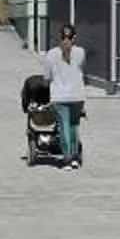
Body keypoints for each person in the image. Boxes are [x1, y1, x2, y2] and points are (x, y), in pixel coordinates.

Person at [45, 24, 88, 168]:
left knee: (64, 126)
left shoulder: (51, 54)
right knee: (74, 126)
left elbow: (47, 76)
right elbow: (82, 68)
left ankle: (67, 159)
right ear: (74, 38)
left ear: (59, 37)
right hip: (77, 95)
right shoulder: (81, 52)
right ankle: (75, 158)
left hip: (59, 96)